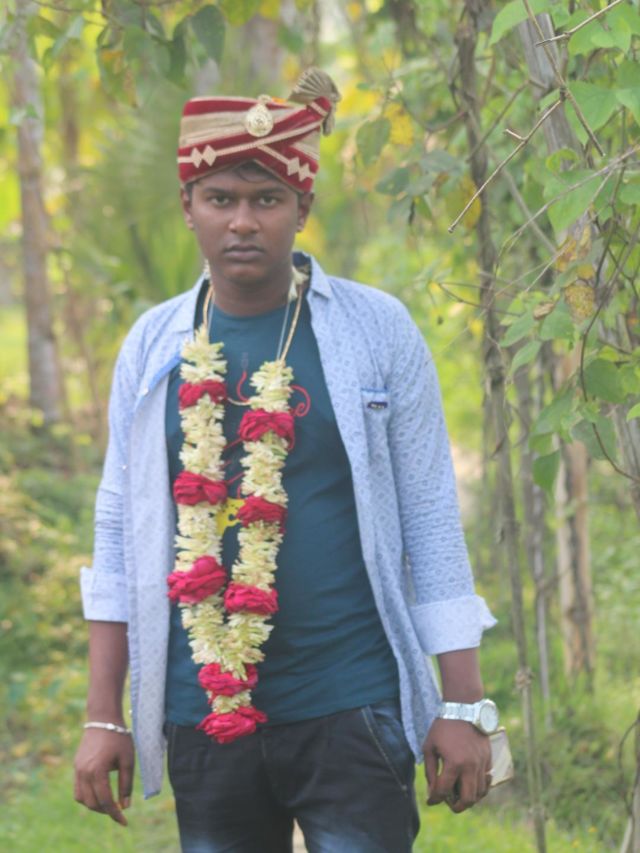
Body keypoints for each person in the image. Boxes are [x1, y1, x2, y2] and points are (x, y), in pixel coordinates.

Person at [74, 68, 497, 853]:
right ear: (189, 207)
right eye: (221, 198)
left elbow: (430, 511)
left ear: (302, 209)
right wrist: (105, 715)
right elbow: (117, 526)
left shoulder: (377, 330)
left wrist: (463, 704)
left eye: (267, 199)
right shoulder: (152, 345)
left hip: (353, 700)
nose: (243, 221)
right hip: (204, 707)